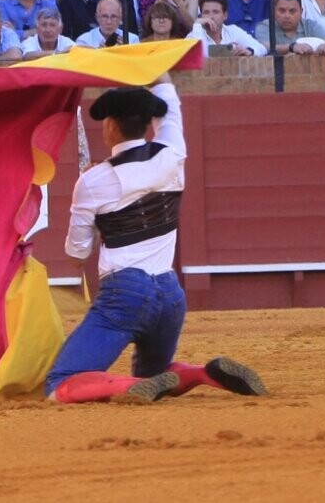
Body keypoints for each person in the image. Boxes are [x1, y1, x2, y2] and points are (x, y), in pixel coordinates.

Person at [44, 73, 268, 404]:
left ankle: (123, 386)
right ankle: (201, 373)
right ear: (149, 123)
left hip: (126, 295)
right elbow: (171, 106)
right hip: (170, 295)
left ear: (111, 126)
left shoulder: (94, 180)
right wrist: (157, 70)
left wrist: (88, 193)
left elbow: (77, 254)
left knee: (59, 382)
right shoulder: (172, 153)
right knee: (153, 376)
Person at [188, 0, 267, 56]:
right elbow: (199, 56)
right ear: (201, 16)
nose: (211, 16)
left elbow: (262, 49)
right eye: (206, 12)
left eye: (215, 12)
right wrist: (197, 24)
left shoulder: (233, 30)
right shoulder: (194, 35)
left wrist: (248, 51)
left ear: (225, 15)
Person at [256, 0, 325, 55]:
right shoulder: (265, 26)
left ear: (301, 12)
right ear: (274, 11)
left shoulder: (309, 25)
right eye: (282, 11)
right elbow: (265, 47)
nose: (287, 16)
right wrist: (292, 47)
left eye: (292, 11)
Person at [75, 0, 141, 47]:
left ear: (120, 19)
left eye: (114, 16)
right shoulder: (84, 41)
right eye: (104, 16)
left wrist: (124, 51)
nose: (109, 22)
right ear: (97, 18)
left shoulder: (132, 40)